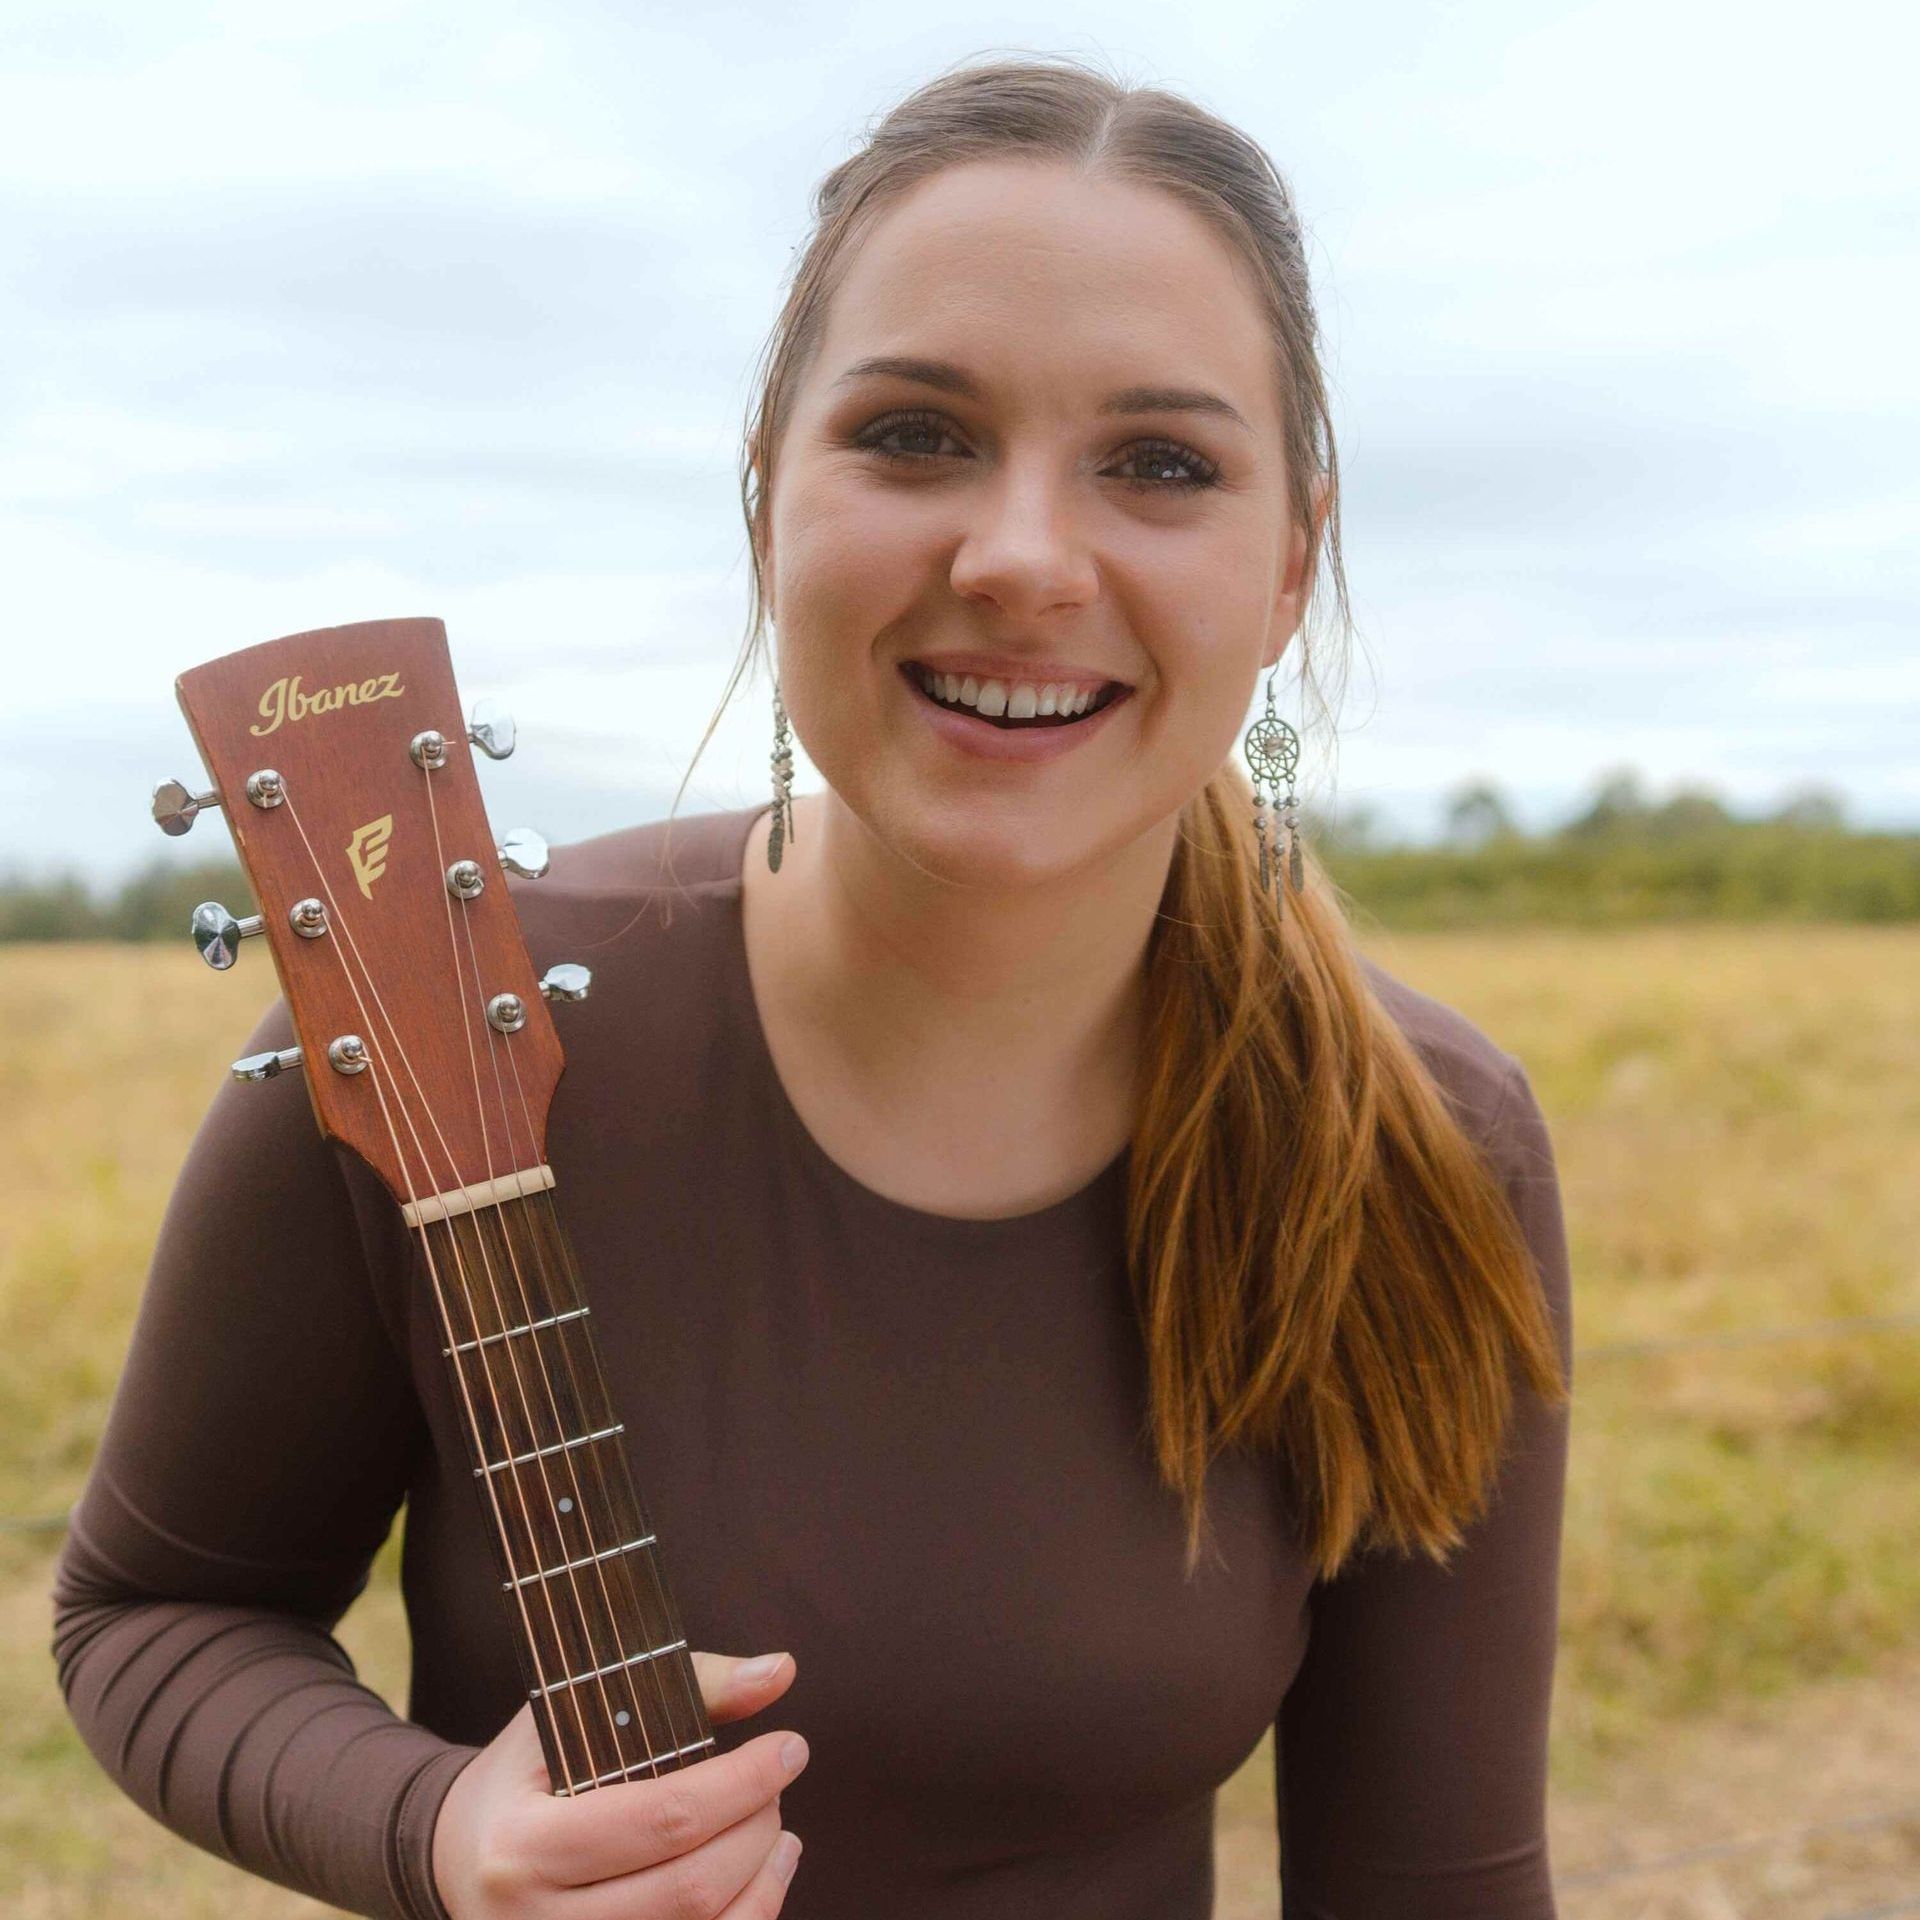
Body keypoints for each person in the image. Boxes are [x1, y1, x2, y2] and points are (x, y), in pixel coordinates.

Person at [50, 51, 1574, 1920]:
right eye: (917, 434)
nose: (1020, 557)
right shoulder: (424, 1022)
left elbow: (1434, 1886)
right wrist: (435, 1831)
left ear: (1287, 567)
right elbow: (161, 1607)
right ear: (772, 497)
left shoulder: (1422, 1144)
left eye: (1160, 464)